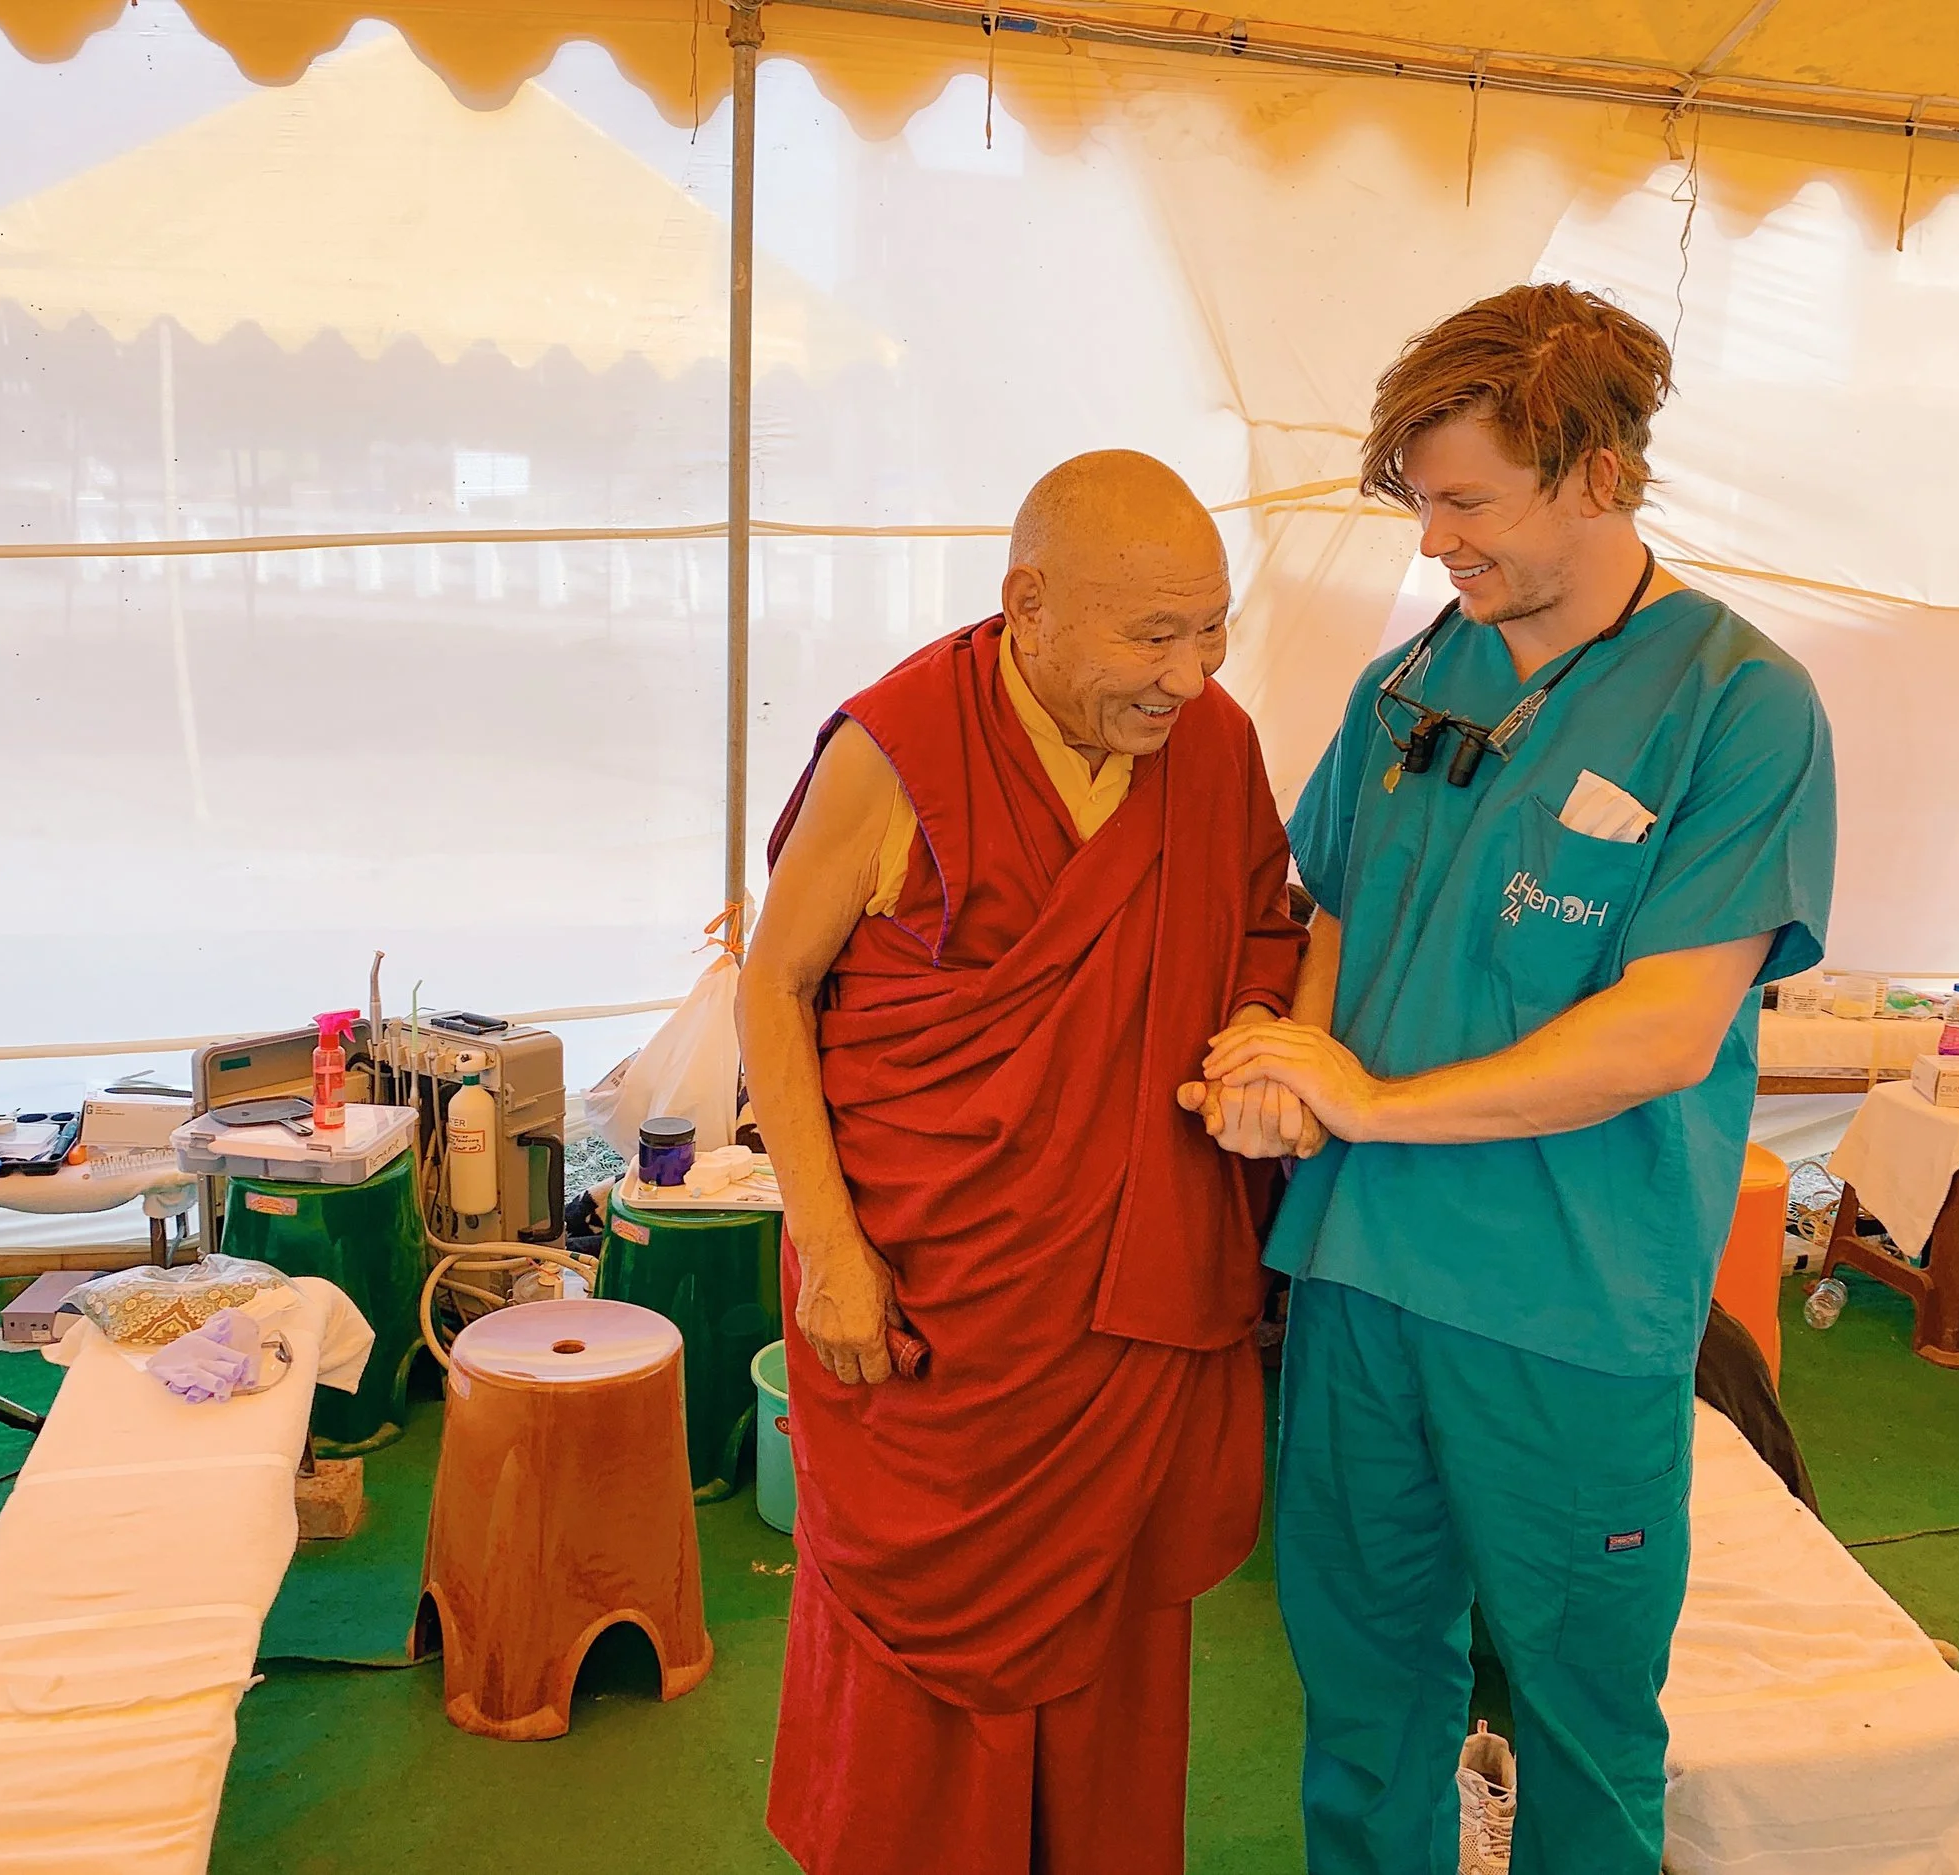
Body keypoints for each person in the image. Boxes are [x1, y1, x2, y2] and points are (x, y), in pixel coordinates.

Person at [1201, 284, 1838, 1875]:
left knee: (1578, 1725)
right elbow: (1334, 914)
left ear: (1601, 476)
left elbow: (1663, 1033)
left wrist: (1363, 1101)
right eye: (1424, 504)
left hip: (1566, 1312)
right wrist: (1286, 1059)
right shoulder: (1412, 683)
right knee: (1363, 1707)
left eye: (1470, 502)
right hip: (1356, 1284)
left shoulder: (1739, 708)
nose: (1437, 544)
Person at [739, 450, 1312, 1875]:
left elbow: (1258, 941)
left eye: (1212, 628)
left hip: (1130, 1303)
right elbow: (773, 988)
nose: (1189, 675)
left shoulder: (1219, 747)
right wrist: (831, 1251)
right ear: (1029, 604)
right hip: (937, 1307)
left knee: (1116, 1654)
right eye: (1152, 635)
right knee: (915, 1680)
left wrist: (1255, 1040)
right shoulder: (900, 750)